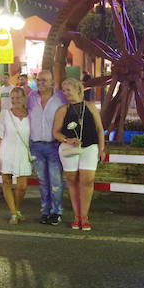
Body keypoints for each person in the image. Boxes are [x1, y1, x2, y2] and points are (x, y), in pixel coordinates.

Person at [52, 78, 105, 231]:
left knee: (87, 181)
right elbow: (55, 132)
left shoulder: (90, 107)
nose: (66, 93)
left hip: (90, 148)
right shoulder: (63, 110)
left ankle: (84, 216)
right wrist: (67, 139)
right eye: (64, 90)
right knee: (72, 181)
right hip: (69, 149)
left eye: (68, 89)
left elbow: (100, 129)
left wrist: (101, 148)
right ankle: (77, 216)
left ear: (78, 90)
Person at [26, 70, 66, 225]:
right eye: (38, 80)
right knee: (42, 182)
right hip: (36, 146)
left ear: (52, 82)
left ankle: (56, 212)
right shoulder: (31, 97)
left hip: (54, 146)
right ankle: (45, 211)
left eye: (44, 80)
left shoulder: (61, 97)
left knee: (56, 182)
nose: (40, 83)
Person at [0, 87, 32, 225]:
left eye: (18, 98)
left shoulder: (31, 115)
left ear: (24, 98)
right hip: (6, 151)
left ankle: (17, 208)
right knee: (7, 182)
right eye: (12, 98)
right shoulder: (5, 114)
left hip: (23, 152)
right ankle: (14, 213)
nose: (15, 101)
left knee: (22, 186)